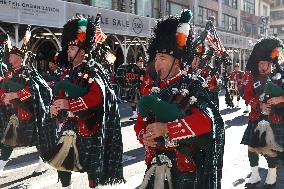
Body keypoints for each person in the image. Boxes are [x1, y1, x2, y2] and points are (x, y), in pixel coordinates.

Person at [134, 9, 224, 189]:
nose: (157, 64)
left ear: (177, 61)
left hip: (183, 169)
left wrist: (167, 128)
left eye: (162, 58)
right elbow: (140, 123)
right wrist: (144, 136)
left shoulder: (192, 85)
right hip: (155, 163)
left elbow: (206, 122)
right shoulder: (154, 88)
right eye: (156, 58)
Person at [49, 16, 124, 189]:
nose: (68, 50)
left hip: (89, 126)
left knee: (91, 167)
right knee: (62, 163)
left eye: (72, 47)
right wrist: (54, 106)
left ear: (82, 51)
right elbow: (59, 94)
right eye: (68, 47)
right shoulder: (66, 72)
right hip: (69, 125)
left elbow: (97, 97)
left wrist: (70, 105)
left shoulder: (93, 70)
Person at [0, 42, 54, 175]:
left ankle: (43, 163)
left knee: (39, 141)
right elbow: (2, 90)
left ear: (19, 58)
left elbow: (37, 89)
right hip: (14, 115)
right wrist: (4, 98)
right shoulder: (9, 74)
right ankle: (0, 167)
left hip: (30, 114)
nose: (9, 59)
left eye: (12, 56)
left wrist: (16, 94)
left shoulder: (29, 72)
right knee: (8, 140)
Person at [241, 37, 284, 188]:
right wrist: (258, 104)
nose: (262, 66)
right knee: (251, 147)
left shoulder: (280, 76)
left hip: (275, 119)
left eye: (265, 63)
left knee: (270, 149)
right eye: (260, 63)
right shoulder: (253, 78)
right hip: (256, 116)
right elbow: (246, 95)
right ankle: (254, 175)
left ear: (271, 63)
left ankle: (271, 177)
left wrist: (279, 98)